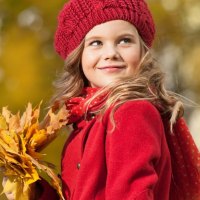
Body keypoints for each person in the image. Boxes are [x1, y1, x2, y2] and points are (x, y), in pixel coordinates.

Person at [3, 0, 200, 199]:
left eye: (124, 40)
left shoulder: (132, 112)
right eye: (96, 43)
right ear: (78, 56)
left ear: (143, 51)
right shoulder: (83, 122)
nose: (111, 53)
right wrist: (33, 191)